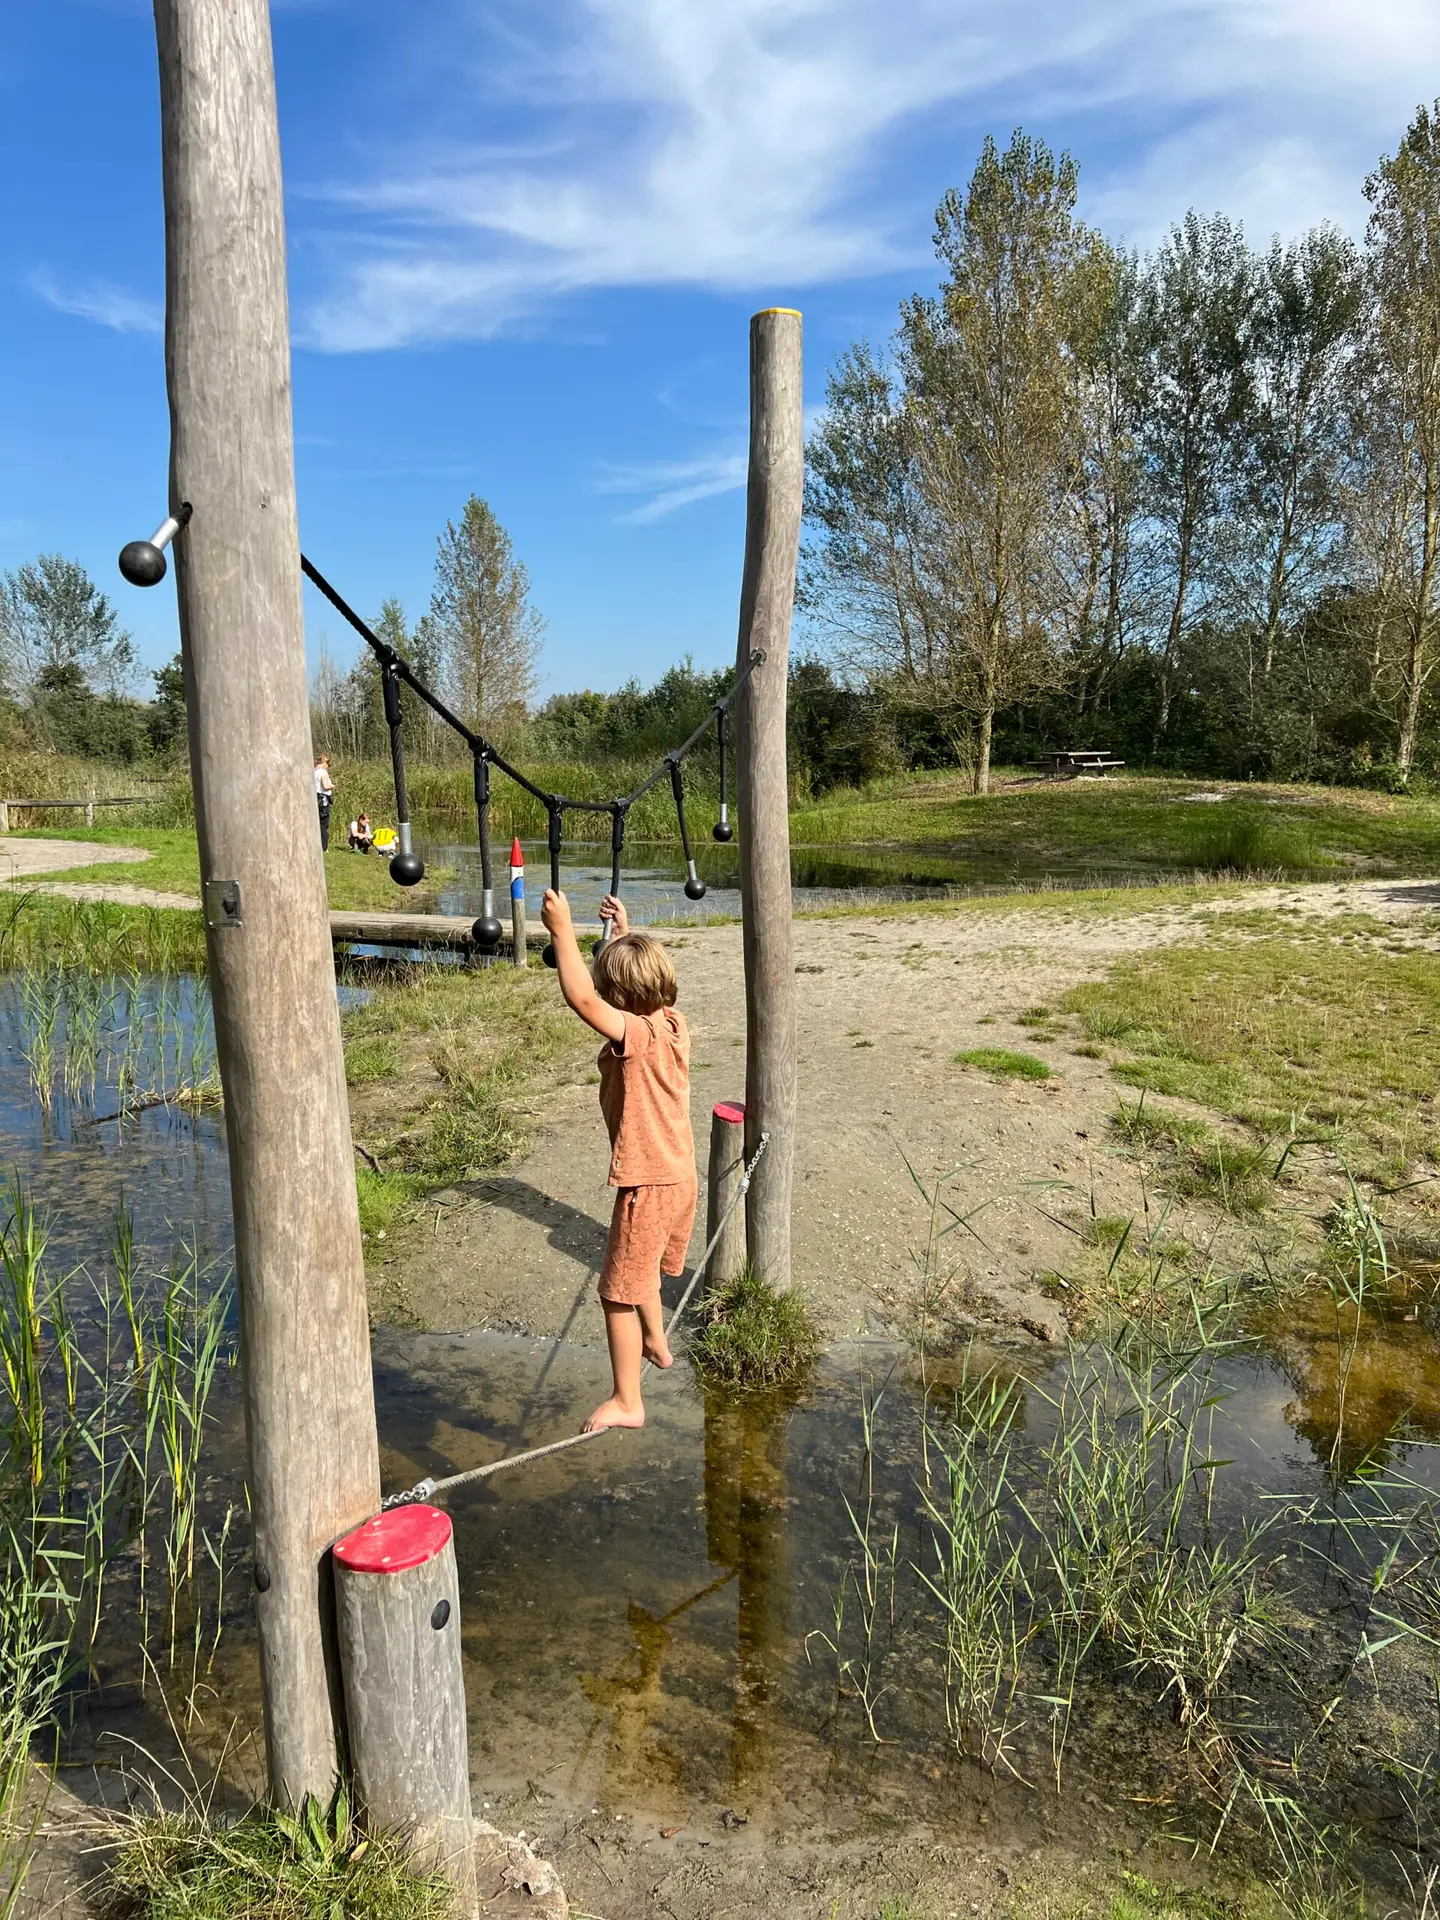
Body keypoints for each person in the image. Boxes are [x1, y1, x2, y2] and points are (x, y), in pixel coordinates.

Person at [540, 887, 695, 1433]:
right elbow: (629, 988)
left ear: (621, 1003)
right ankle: (657, 1341)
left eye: (614, 995)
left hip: (649, 1183)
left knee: (615, 1294)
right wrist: (623, 932)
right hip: (679, 1176)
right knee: (643, 1269)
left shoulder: (637, 1036)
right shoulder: (671, 1024)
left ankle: (628, 1400)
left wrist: (562, 931)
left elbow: (583, 999)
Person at [315, 755, 334, 850]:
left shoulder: (313, 771)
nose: (328, 766)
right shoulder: (323, 772)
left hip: (315, 798)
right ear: (324, 763)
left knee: (316, 822)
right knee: (324, 823)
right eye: (328, 764)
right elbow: (325, 786)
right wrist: (333, 786)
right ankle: (323, 846)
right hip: (322, 800)